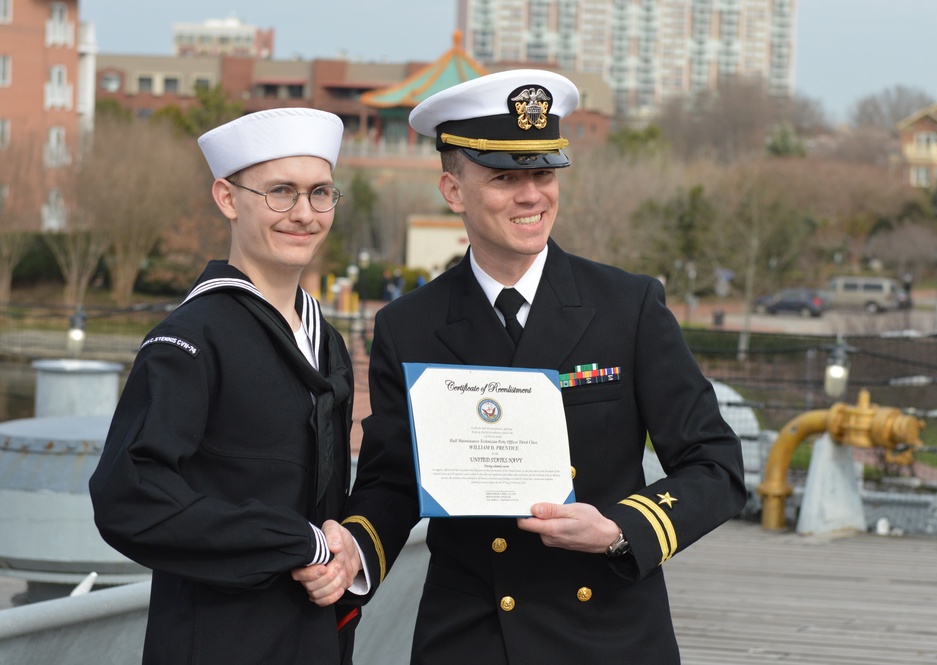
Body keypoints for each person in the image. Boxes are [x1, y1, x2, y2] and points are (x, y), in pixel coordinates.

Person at [306, 69, 747, 664]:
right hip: (472, 636)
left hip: (607, 635)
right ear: (453, 190)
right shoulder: (409, 325)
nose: (531, 195)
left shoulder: (628, 306)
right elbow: (393, 480)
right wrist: (357, 544)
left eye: (543, 173)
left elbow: (715, 466)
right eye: (505, 177)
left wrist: (619, 529)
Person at [89, 107, 362, 665]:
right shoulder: (192, 337)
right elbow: (128, 495)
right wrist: (295, 541)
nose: (304, 214)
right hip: (216, 639)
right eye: (280, 192)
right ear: (227, 198)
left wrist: (345, 548)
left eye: (320, 193)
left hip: (315, 639)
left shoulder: (326, 340)